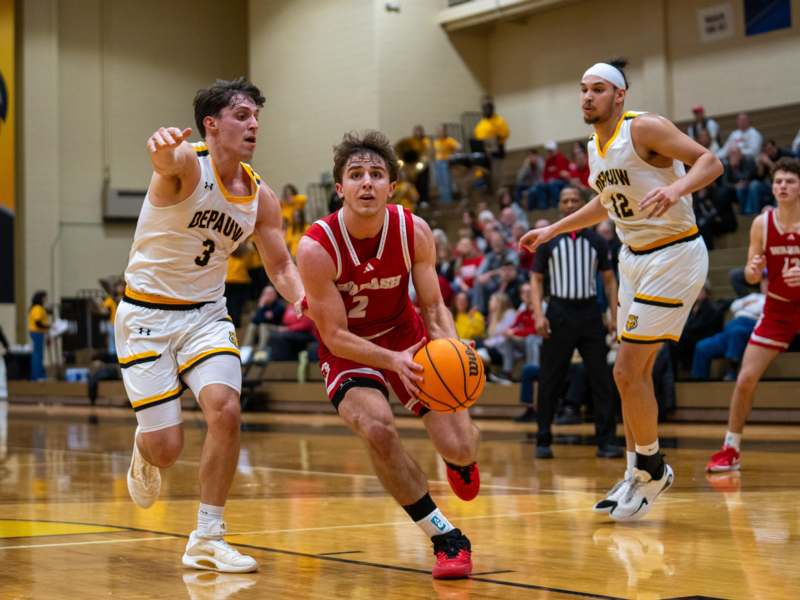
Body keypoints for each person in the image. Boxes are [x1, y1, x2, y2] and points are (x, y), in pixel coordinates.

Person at [521, 59, 722, 521]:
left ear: (619, 95)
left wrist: (676, 191)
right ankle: (636, 471)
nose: (587, 97)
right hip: (632, 258)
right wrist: (554, 229)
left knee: (626, 372)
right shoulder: (595, 147)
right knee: (632, 375)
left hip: (673, 254)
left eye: (597, 89)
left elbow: (710, 162)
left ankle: (652, 467)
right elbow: (604, 203)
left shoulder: (645, 128)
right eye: (582, 89)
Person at [117, 77, 304, 572]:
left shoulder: (260, 196)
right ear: (211, 124)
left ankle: (207, 536)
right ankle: (144, 444)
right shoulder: (186, 164)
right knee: (166, 449)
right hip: (147, 315)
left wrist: (305, 299)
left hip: (205, 316)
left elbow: (281, 267)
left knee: (225, 410)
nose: (254, 125)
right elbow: (165, 163)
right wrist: (160, 150)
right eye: (242, 116)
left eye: (256, 117)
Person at [297, 131, 480, 579]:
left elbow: (434, 306)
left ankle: (461, 460)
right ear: (339, 188)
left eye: (377, 175)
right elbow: (335, 335)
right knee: (378, 429)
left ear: (392, 186)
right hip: (350, 350)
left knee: (459, 443)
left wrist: (452, 350)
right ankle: (445, 536)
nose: (366, 184)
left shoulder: (412, 230)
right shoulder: (316, 247)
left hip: (406, 336)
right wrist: (388, 361)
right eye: (355, 175)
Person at [706, 157, 800, 472]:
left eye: (789, 181)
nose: (783, 186)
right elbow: (749, 275)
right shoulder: (762, 223)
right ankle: (730, 448)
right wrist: (752, 269)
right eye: (778, 182)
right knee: (745, 379)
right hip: (777, 308)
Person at [529, 186, 620, 459]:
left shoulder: (597, 241)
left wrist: (614, 316)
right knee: (550, 379)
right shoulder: (548, 241)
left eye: (575, 201)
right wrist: (538, 313)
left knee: (601, 379)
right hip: (559, 311)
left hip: (590, 313)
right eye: (565, 201)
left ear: (583, 204)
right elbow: (536, 279)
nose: (570, 204)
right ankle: (543, 439)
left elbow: (609, 280)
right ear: (559, 205)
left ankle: (605, 442)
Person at [433, 125, 460, 203]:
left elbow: (459, 147)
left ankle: (448, 199)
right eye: (438, 131)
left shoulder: (449, 140)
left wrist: (452, 155)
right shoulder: (436, 141)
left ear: (444, 132)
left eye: (441, 131)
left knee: (446, 181)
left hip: (445, 162)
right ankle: (442, 198)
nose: (439, 132)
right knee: (440, 181)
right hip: (437, 163)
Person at [28, 290, 50, 381]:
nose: (46, 299)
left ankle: (38, 374)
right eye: (45, 297)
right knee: (37, 355)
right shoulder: (37, 308)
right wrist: (48, 326)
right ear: (41, 298)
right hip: (37, 332)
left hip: (38, 333)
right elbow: (38, 323)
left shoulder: (39, 308)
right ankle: (37, 375)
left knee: (39, 354)